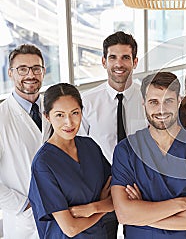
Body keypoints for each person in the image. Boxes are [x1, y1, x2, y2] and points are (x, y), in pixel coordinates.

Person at [111, 72, 186, 239]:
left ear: (179, 101)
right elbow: (124, 214)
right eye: (153, 102)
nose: (161, 109)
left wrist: (142, 216)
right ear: (144, 104)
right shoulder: (126, 150)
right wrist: (183, 203)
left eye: (168, 101)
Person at [80, 31, 146, 238]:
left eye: (125, 57)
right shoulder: (87, 102)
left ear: (135, 62)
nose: (119, 64)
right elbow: (78, 151)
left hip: (141, 191)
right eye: (113, 57)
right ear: (103, 61)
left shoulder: (149, 99)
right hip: (101, 192)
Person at [28, 83, 114, 238]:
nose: (69, 122)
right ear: (47, 116)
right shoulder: (43, 164)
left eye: (75, 113)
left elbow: (117, 198)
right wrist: (103, 207)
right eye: (60, 115)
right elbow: (71, 228)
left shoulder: (90, 147)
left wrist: (93, 208)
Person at [0, 44, 51, 239]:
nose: (30, 75)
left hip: (62, 214)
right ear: (11, 73)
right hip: (24, 223)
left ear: (43, 72)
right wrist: (23, 204)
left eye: (36, 68)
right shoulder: (1, 117)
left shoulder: (54, 109)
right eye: (22, 69)